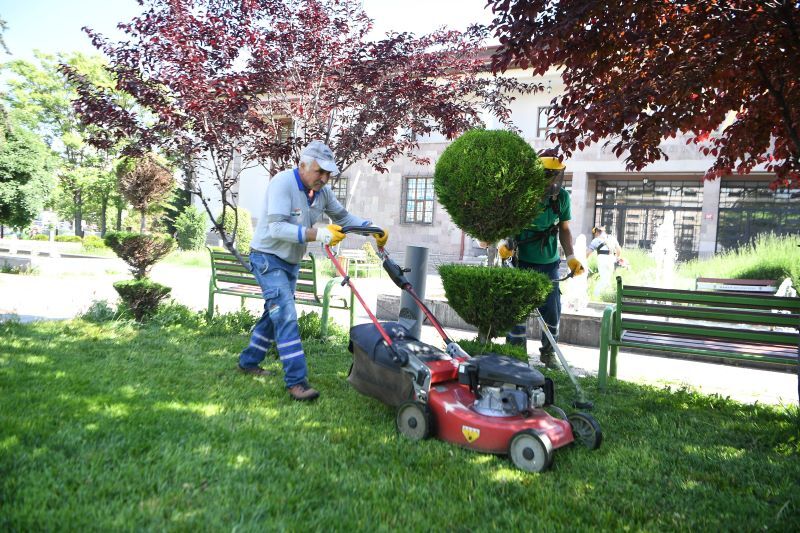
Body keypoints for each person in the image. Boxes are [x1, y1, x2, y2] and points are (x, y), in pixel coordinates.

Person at [238, 140, 389, 401]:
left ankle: (249, 361)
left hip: (291, 261)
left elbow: (343, 218)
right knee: (284, 314)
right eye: (320, 172)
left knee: (274, 312)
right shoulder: (282, 184)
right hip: (267, 257)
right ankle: (297, 382)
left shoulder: (322, 192)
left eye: (328, 173)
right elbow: (277, 228)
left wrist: (372, 229)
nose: (325, 178)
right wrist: (319, 235)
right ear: (303, 165)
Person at [498, 156, 585, 367]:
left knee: (552, 309)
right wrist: (505, 243)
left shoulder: (561, 197)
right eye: (549, 175)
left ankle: (548, 353)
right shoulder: (520, 196)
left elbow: (564, 229)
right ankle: (516, 355)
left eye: (557, 175)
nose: (553, 180)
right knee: (517, 310)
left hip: (549, 263)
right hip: (520, 261)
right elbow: (505, 224)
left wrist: (571, 256)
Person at [586, 225, 622, 298]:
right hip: (611, 259)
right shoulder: (612, 238)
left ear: (597, 232)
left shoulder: (596, 240)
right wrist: (617, 257)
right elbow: (618, 250)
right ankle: (607, 295)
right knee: (607, 278)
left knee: (603, 279)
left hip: (602, 259)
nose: (595, 235)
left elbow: (588, 253)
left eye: (595, 233)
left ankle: (596, 295)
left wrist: (582, 260)